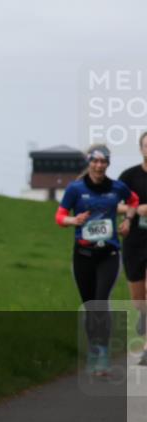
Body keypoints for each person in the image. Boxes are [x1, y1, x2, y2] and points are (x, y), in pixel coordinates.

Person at [56, 144, 140, 375]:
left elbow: (133, 201)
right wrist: (74, 221)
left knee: (101, 302)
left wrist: (127, 221)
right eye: (95, 161)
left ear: (108, 164)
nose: (99, 166)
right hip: (83, 255)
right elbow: (60, 216)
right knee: (90, 305)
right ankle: (94, 349)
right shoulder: (75, 189)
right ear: (89, 162)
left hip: (109, 254)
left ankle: (102, 353)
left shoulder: (117, 187)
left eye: (104, 162)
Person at [119, 132, 147, 365]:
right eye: (146, 146)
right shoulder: (129, 176)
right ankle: (143, 315)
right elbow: (115, 204)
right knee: (139, 298)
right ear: (140, 149)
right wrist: (136, 210)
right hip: (134, 242)